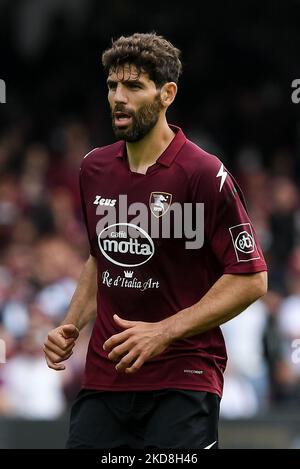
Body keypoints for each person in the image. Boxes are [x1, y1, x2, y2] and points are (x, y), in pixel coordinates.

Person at [44, 32, 268, 449]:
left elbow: (251, 278)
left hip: (182, 379)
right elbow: (100, 259)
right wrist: (70, 325)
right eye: (112, 86)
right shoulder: (93, 168)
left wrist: (162, 332)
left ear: (167, 94)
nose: (118, 97)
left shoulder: (204, 173)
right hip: (106, 378)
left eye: (133, 86)